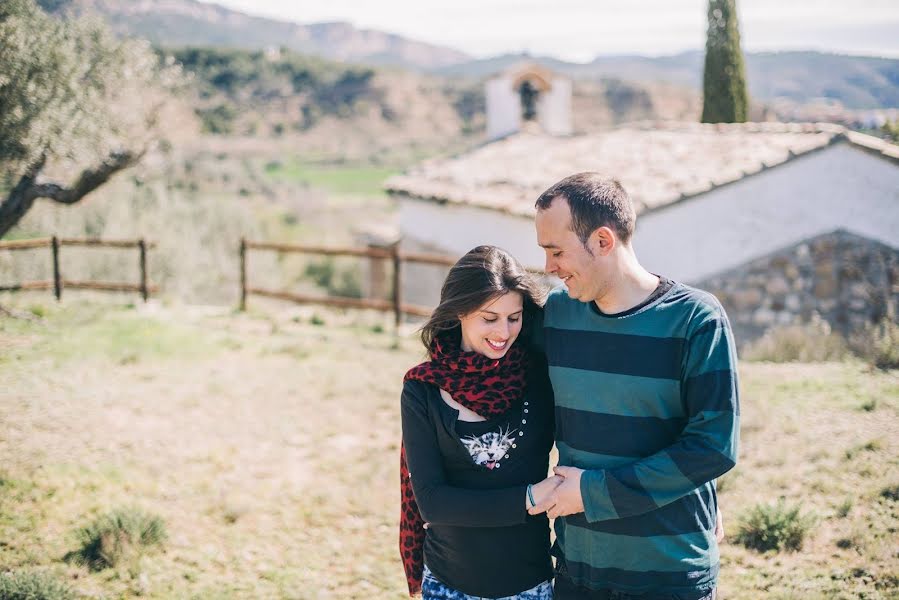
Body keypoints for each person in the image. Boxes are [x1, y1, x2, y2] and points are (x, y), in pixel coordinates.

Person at [528, 173, 740, 600]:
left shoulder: (697, 321)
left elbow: (713, 446)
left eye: (556, 251)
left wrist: (591, 493)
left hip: (668, 574)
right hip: (577, 570)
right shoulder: (554, 317)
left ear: (603, 241)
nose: (548, 267)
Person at [399, 245, 560, 599]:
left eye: (514, 317)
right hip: (447, 585)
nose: (503, 331)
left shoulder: (541, 377)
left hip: (529, 587)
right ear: (459, 311)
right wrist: (529, 498)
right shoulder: (421, 389)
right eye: (490, 318)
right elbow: (432, 503)